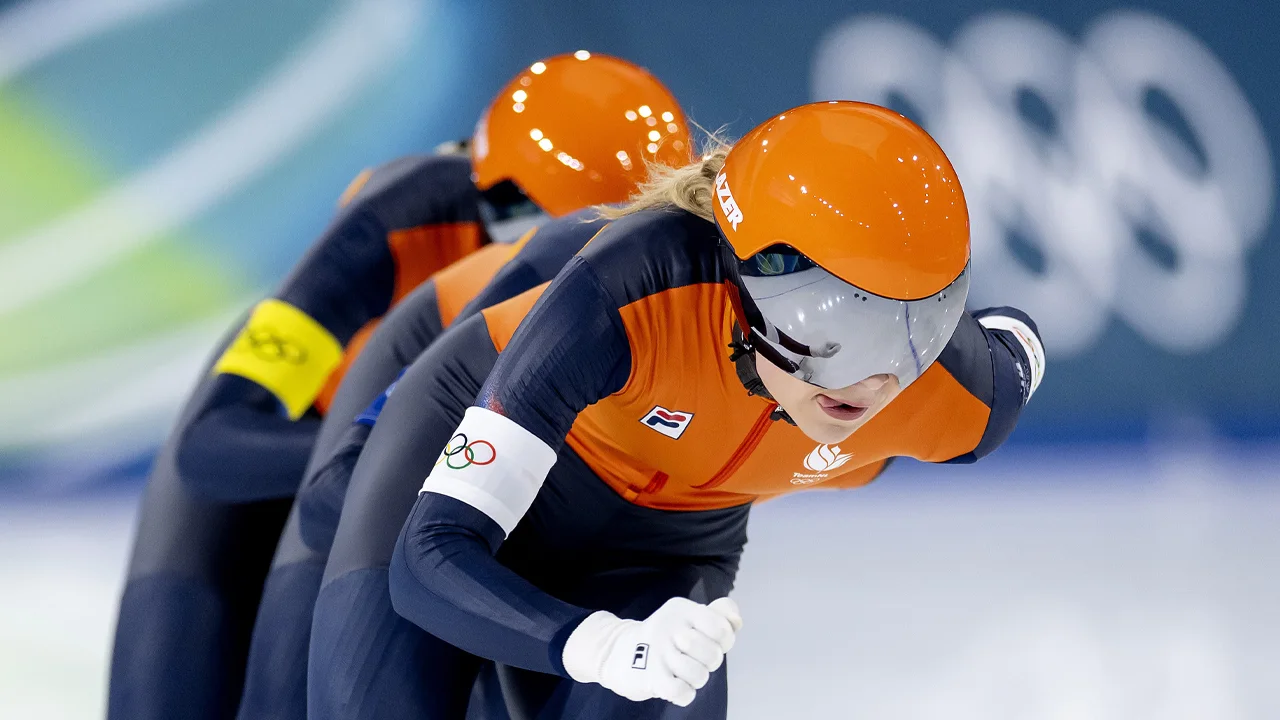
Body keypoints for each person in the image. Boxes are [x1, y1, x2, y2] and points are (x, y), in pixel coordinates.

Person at [308, 101, 1045, 719]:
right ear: (748, 277)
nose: (873, 380)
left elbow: (1016, 338)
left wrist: (619, 646)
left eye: (914, 331)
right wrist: (593, 645)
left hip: (660, 550)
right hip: (472, 455)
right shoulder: (637, 287)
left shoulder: (954, 395)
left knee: (664, 680)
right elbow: (429, 554)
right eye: (831, 328)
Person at [107, 51, 690, 720]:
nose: (592, 271)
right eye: (569, 241)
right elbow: (209, 444)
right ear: (503, 202)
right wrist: (410, 457)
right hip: (293, 455)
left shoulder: (641, 279)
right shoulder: (402, 217)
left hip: (421, 460)